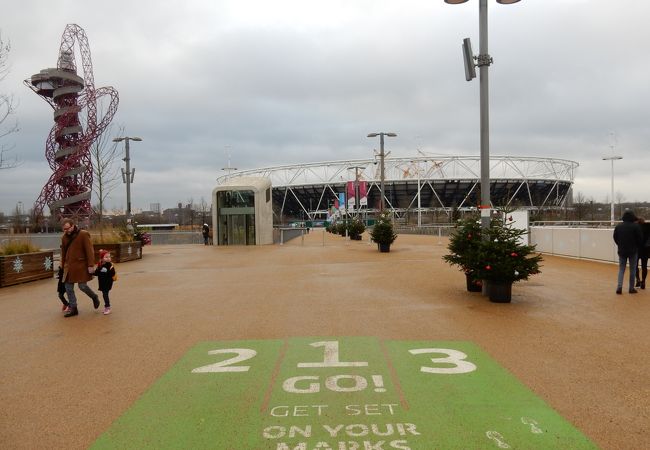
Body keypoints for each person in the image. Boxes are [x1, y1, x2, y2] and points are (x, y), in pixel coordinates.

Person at [60, 218, 100, 317]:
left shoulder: (83, 234)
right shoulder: (64, 237)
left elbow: (89, 250)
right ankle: (73, 308)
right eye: (64, 229)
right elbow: (63, 253)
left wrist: (91, 265)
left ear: (73, 226)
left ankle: (94, 297)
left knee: (82, 286)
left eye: (67, 228)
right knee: (68, 287)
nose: (66, 231)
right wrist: (62, 264)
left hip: (81, 266)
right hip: (69, 267)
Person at [613, 211, 643, 295]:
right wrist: (636, 246)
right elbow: (640, 239)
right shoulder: (635, 226)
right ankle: (631, 288)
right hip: (633, 251)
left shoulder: (618, 226)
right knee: (632, 270)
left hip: (622, 250)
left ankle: (619, 287)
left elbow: (615, 237)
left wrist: (620, 244)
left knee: (621, 269)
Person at [94, 249, 116, 315]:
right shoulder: (100, 265)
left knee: (105, 294)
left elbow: (112, 273)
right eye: (106, 257)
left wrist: (106, 271)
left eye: (109, 257)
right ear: (102, 258)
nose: (108, 258)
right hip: (102, 282)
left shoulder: (110, 265)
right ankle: (106, 307)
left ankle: (107, 307)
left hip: (108, 282)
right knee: (104, 294)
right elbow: (97, 273)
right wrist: (91, 272)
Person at [635, 217, 650, 289]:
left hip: (637, 249)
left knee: (635, 266)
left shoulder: (636, 228)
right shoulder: (648, 227)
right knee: (644, 266)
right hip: (645, 249)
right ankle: (643, 281)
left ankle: (637, 280)